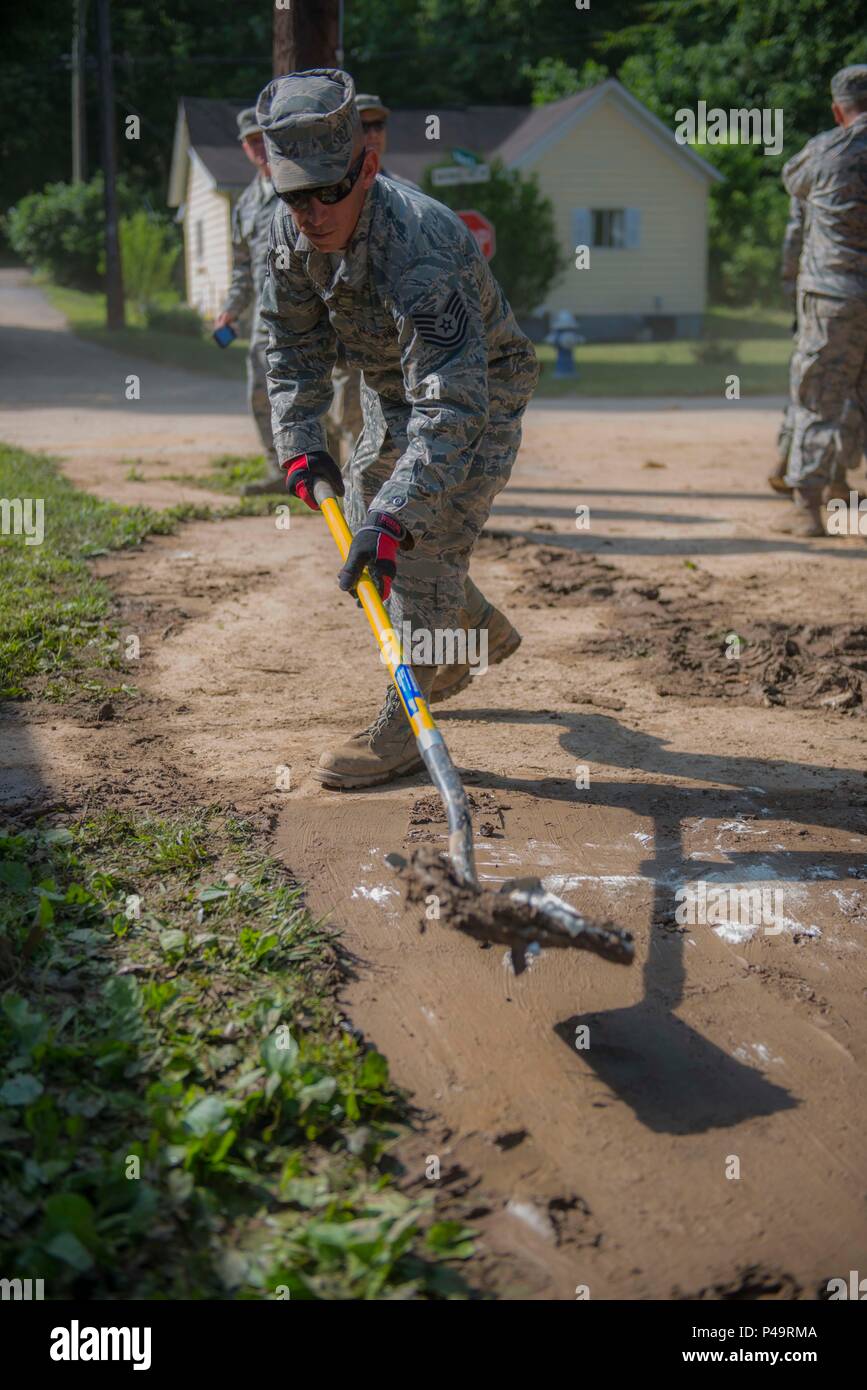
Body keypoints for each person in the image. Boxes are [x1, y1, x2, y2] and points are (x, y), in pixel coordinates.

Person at [256, 68, 538, 788]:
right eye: (294, 195)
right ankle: (468, 629)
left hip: (476, 394)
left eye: (329, 191)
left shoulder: (422, 247)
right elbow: (289, 348)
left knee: (414, 544)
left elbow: (450, 408)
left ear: (368, 168)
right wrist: (301, 444)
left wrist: (399, 513)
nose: (311, 213)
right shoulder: (285, 237)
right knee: (358, 518)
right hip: (392, 387)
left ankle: (405, 724)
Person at [777, 65, 867, 536]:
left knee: (818, 395)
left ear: (838, 110)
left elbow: (793, 182)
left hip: (834, 294)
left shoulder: (826, 148)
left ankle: (808, 508)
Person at [324, 93, 417, 467]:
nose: (374, 133)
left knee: (385, 431)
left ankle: (369, 500)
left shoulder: (408, 195)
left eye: (379, 125)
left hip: (394, 338)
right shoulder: (328, 195)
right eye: (364, 125)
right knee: (345, 416)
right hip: (343, 338)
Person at [770, 170, 864, 497]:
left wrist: (791, 284)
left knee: (813, 384)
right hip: (846, 294)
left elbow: (795, 233)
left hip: (823, 293)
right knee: (850, 389)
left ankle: (790, 463)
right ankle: (833, 480)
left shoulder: (820, 163)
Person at [213, 107, 282, 493]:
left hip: (312, 311)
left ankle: (333, 469)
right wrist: (230, 310)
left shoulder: (299, 189)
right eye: (251, 141)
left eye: (263, 138)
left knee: (324, 393)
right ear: (243, 147)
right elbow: (241, 268)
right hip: (264, 316)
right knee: (259, 390)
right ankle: (281, 470)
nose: (259, 147)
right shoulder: (246, 204)